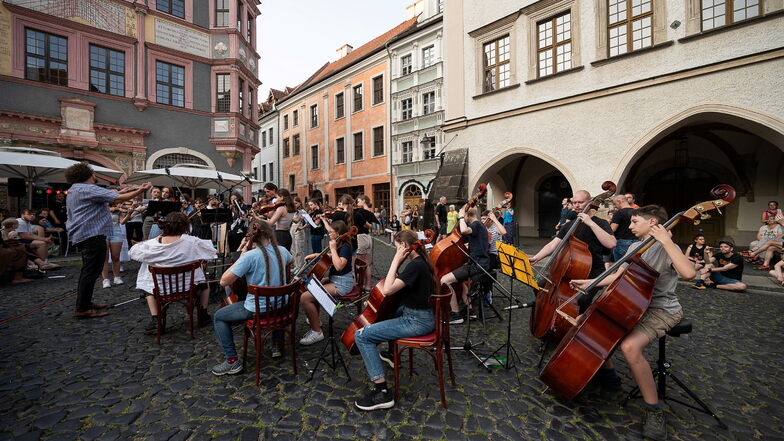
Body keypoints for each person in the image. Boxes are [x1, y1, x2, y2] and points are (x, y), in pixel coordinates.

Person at [570, 205, 695, 441]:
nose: (630, 226)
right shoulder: (636, 247)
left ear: (653, 223)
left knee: (629, 347)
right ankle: (609, 378)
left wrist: (666, 241)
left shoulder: (669, 247)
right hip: (633, 304)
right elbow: (618, 275)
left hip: (662, 310)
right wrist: (589, 282)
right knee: (593, 326)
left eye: (635, 221)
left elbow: (689, 273)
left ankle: (654, 409)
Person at [353, 229, 438, 411]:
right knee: (391, 312)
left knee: (361, 336)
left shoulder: (415, 266)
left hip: (416, 321)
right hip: (421, 315)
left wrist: (396, 260)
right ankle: (391, 353)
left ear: (404, 247)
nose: (395, 250)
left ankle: (382, 391)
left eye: (396, 247)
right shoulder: (421, 262)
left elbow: (388, 289)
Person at [65, 162, 151, 319]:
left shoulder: (75, 189)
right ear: (88, 174)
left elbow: (109, 195)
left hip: (85, 234)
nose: (95, 175)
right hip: (92, 235)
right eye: (93, 173)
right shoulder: (87, 188)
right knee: (90, 272)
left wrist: (124, 190)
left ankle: (85, 303)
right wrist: (140, 190)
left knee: (88, 271)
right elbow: (118, 198)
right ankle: (82, 308)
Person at [212, 220, 293, 374]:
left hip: (259, 309)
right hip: (281, 306)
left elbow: (224, 281)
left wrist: (242, 255)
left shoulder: (250, 256)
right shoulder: (282, 251)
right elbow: (291, 261)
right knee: (273, 295)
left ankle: (232, 361)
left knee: (218, 317)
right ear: (270, 233)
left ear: (252, 236)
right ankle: (276, 344)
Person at [129, 212, 217, 334]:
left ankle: (156, 319)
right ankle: (203, 314)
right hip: (188, 288)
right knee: (204, 285)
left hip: (161, 290)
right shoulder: (191, 241)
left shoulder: (153, 244)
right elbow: (212, 252)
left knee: (149, 290)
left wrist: (156, 239)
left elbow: (133, 252)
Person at [530, 190, 616, 312]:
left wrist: (590, 223)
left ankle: (577, 325)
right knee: (539, 286)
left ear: (590, 202)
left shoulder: (600, 223)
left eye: (580, 202)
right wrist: (537, 257)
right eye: (574, 202)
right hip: (568, 270)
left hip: (592, 272)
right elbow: (552, 245)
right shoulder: (569, 225)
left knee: (581, 300)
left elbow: (611, 243)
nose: (577, 205)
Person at [299, 220, 354, 345]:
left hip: (342, 284)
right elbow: (331, 257)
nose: (329, 235)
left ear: (338, 233)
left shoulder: (345, 247)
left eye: (331, 232)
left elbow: (339, 266)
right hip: (335, 279)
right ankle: (315, 320)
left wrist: (333, 249)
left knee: (305, 298)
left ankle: (316, 332)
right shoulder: (340, 245)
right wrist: (316, 255)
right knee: (312, 286)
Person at [439, 206, 489, 324]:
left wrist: (461, 216)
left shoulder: (476, 225)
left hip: (477, 265)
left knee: (444, 280)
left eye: (463, 217)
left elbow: (464, 230)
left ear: (467, 216)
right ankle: (469, 311)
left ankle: (456, 315)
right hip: (480, 263)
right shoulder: (480, 226)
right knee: (461, 282)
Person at [355, 194, 377, 291]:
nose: (357, 203)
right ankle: (367, 286)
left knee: (359, 264)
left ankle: (360, 286)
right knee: (366, 263)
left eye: (358, 201)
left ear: (364, 201)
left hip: (361, 238)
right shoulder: (369, 212)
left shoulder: (359, 212)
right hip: (367, 237)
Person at [100, 202, 125, 288]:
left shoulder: (118, 210)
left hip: (116, 232)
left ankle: (117, 277)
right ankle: (106, 280)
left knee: (116, 257)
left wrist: (129, 214)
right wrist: (113, 209)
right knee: (104, 257)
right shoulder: (101, 206)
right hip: (103, 232)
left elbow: (122, 222)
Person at [609, 195, 639, 263]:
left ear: (619, 202)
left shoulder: (619, 213)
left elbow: (612, 229)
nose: (614, 206)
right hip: (636, 242)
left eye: (614, 204)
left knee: (620, 266)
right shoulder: (636, 212)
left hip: (622, 242)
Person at [290, 196, 307, 269]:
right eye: (293, 204)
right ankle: (296, 266)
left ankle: (300, 267)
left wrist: (302, 227)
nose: (295, 205)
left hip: (299, 230)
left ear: (299, 203)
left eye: (296, 203)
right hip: (292, 229)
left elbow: (307, 222)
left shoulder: (302, 211)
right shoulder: (292, 211)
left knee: (299, 249)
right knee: (293, 249)